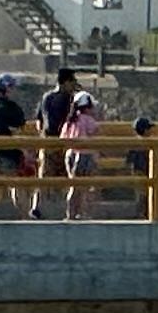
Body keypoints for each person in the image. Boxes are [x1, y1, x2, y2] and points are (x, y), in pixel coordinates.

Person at [27, 62, 86, 219]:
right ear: (66, 82)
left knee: (44, 176)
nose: (74, 85)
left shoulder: (46, 97)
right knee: (73, 176)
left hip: (46, 141)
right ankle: (73, 211)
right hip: (65, 142)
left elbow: (39, 121)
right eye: (72, 82)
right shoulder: (68, 100)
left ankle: (36, 207)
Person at [58, 81, 105, 221]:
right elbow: (96, 133)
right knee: (84, 186)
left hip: (70, 154)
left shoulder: (69, 121)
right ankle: (82, 213)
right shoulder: (88, 120)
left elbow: (63, 138)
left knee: (74, 185)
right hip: (85, 155)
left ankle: (71, 213)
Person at [0, 72, 31, 207]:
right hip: (9, 154)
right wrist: (26, 151)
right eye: (12, 88)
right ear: (7, 88)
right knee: (17, 185)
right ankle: (24, 218)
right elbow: (18, 130)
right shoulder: (10, 108)